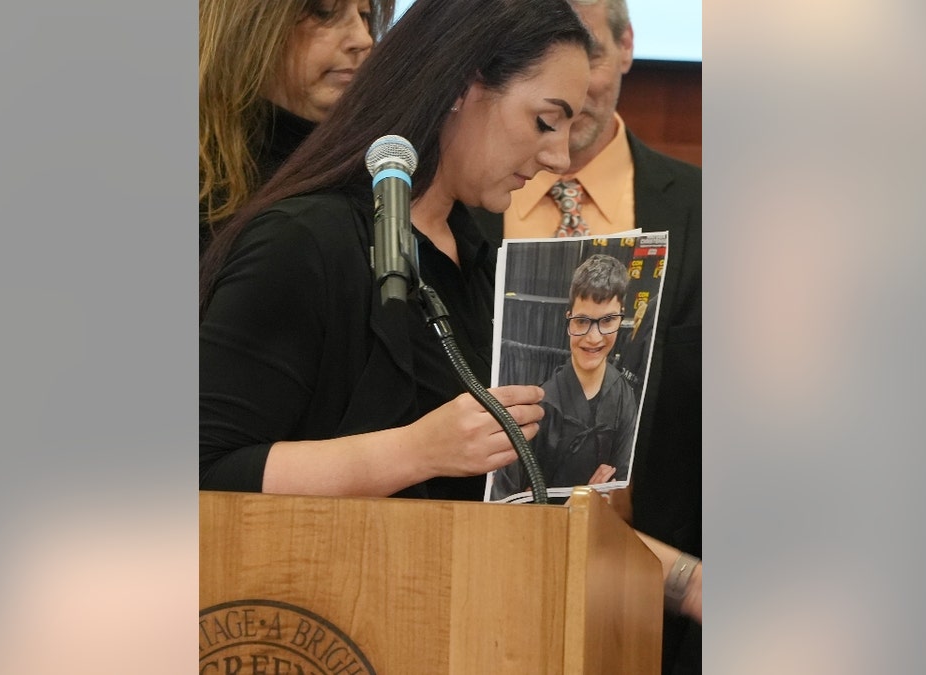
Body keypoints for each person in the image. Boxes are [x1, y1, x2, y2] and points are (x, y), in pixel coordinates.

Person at [199, 0, 593, 500]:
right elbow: (203, 467)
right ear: (459, 88)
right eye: (544, 121)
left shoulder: (477, 261)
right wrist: (416, 451)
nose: (559, 158)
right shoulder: (302, 242)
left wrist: (680, 573)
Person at [470, 0, 702, 672]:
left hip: (660, 610)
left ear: (628, 46)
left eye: (587, 51)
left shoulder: (707, 210)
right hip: (472, 575)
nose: (569, 92)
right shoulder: (456, 205)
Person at [199, 0, 395, 252]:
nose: (363, 39)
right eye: (324, 13)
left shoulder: (383, 164)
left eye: (365, 15)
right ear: (245, 28)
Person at [490, 254, 639, 500]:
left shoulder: (624, 396)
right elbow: (508, 502)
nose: (594, 338)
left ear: (621, 315)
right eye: (582, 321)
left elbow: (621, 484)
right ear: (568, 316)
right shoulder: (538, 408)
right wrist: (580, 502)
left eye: (608, 320)